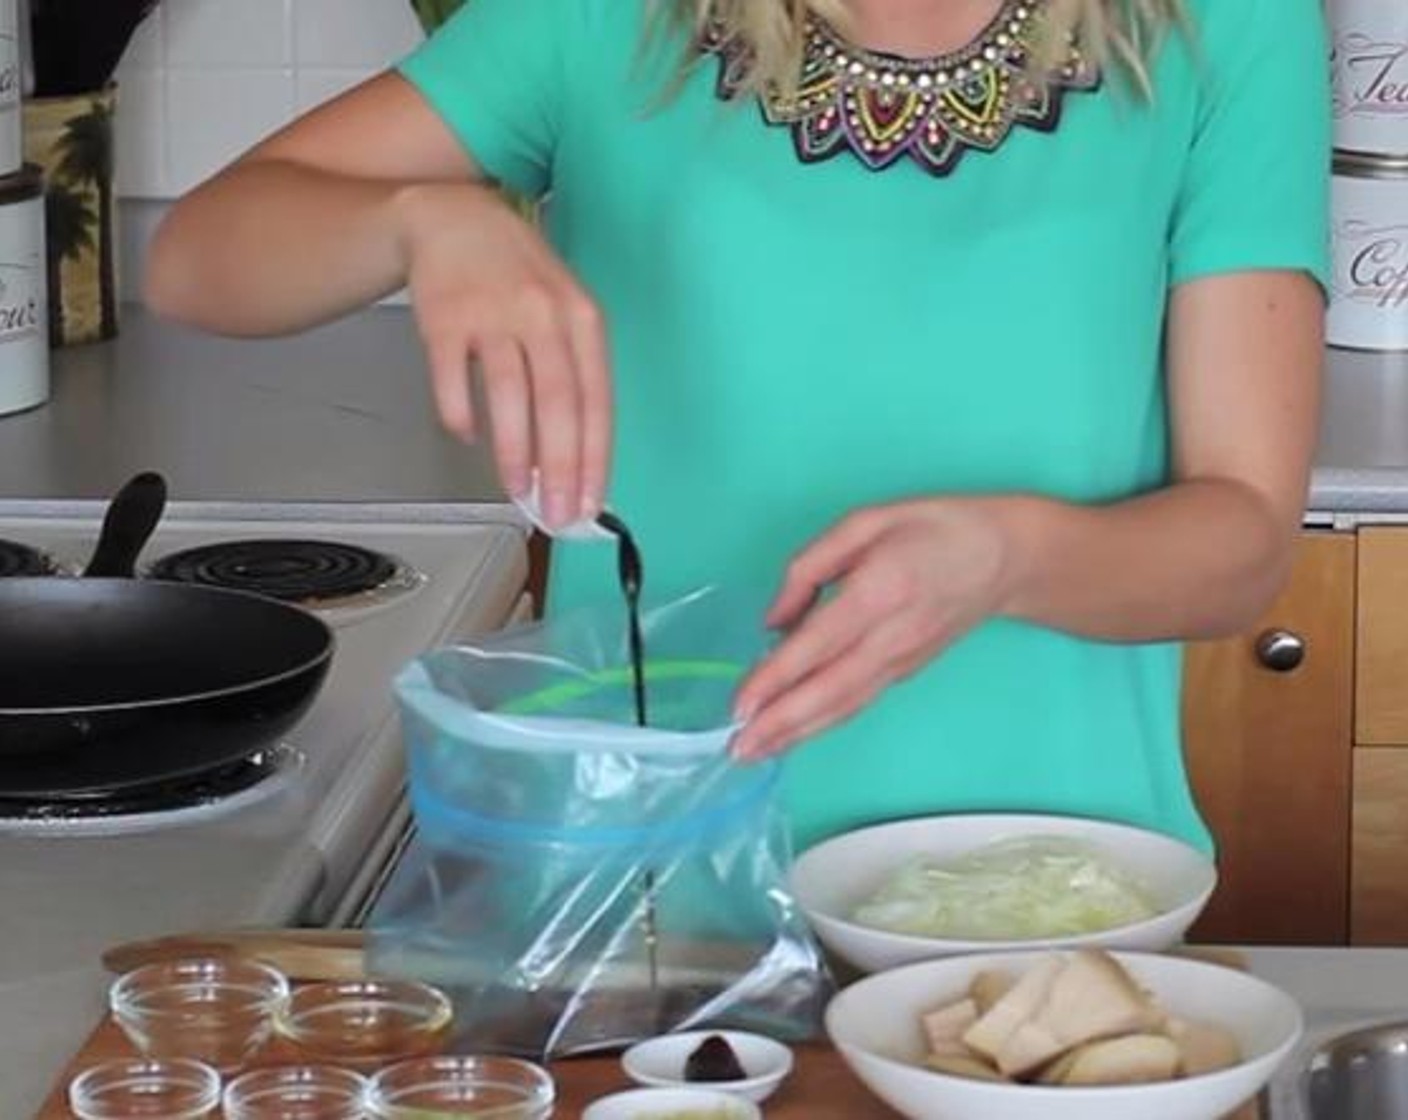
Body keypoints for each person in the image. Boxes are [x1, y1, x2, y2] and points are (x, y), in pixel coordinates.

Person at [146, 0, 1329, 855]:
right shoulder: (604, 20)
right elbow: (199, 262)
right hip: (649, 900)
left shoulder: (1224, 26)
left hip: (1051, 890)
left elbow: (1241, 541)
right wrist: (419, 220)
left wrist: (1011, 559)